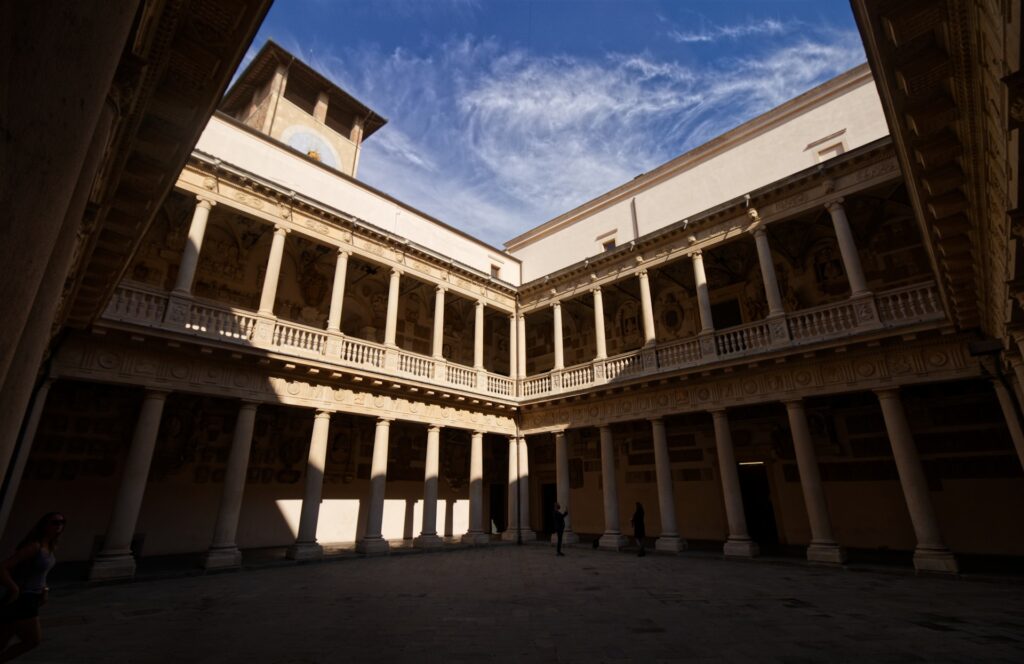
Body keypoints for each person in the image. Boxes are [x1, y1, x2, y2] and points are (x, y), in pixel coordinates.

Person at [0, 512, 65, 662]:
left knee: (3, 640)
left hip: (32, 597)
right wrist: (14, 588)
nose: (59, 526)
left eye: (62, 522)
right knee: (32, 641)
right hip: (23, 599)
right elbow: (3, 567)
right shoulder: (34, 546)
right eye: (55, 522)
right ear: (44, 525)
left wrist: (45, 589)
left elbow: (40, 574)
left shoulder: (49, 546)